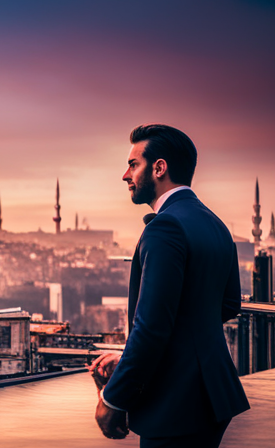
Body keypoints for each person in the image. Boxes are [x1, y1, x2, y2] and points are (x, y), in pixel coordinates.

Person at [89, 124, 250, 447]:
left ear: (159, 167)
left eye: (133, 164)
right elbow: (229, 304)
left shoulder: (165, 227)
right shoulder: (214, 224)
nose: (125, 175)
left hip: (176, 400)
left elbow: (152, 326)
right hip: (213, 394)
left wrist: (114, 398)